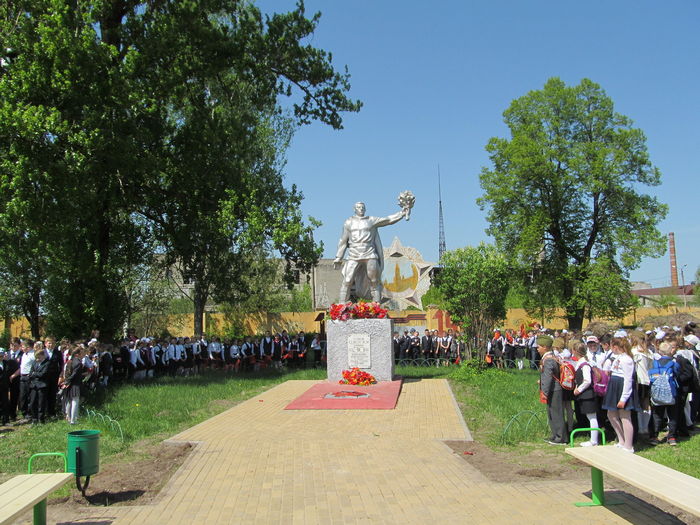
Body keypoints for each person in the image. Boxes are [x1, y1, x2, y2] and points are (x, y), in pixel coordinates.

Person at [333, 202, 408, 302]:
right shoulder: (348, 222)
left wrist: (401, 214)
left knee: (374, 281)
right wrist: (339, 257)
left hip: (369, 254)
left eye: (363, 207)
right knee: (347, 280)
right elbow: (343, 241)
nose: (361, 209)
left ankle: (376, 305)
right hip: (354, 255)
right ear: (354, 209)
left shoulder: (371, 220)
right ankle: (341, 306)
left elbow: (388, 220)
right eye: (359, 207)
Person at [602, 337, 639, 453]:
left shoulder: (627, 360)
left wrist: (624, 398)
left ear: (615, 347)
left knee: (625, 416)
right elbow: (606, 369)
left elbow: (628, 380)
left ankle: (628, 445)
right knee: (611, 414)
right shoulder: (616, 358)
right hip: (614, 386)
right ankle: (621, 440)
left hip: (622, 387)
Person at [538, 335, 566, 445]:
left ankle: (560, 438)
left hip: (554, 390)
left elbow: (548, 376)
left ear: (545, 347)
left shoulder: (548, 359)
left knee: (556, 414)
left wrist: (544, 391)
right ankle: (555, 435)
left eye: (539, 346)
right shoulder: (551, 357)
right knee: (551, 413)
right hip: (553, 389)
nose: (537, 348)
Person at [572, 341, 599, 446]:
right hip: (585, 394)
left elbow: (587, 380)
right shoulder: (581, 363)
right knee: (590, 417)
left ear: (576, 351)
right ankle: (593, 439)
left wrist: (579, 389)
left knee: (592, 417)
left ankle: (594, 440)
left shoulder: (585, 364)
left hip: (588, 394)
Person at [28, 346, 50, 424]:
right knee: (33, 402)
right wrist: (35, 374)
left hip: (42, 385)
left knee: (41, 403)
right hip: (34, 385)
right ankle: (34, 418)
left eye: (39, 357)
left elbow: (43, 374)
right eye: (36, 358)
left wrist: (35, 374)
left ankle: (41, 419)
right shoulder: (34, 363)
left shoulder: (47, 363)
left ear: (43, 356)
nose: (37, 359)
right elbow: (30, 373)